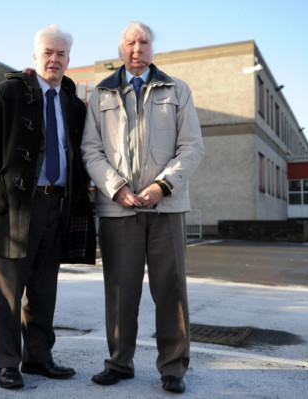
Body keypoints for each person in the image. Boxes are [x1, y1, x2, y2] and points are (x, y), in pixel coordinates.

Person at [81, 21, 205, 394]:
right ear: (121, 49)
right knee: (120, 290)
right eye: (131, 43)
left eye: (144, 42)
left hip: (166, 208)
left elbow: (192, 147)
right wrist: (115, 188)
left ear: (153, 49)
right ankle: (119, 363)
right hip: (119, 210)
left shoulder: (177, 90)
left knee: (170, 288)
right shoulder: (99, 95)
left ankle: (173, 368)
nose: (138, 48)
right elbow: (91, 150)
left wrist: (161, 186)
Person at [0, 24, 96, 390]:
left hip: (58, 207)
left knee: (44, 289)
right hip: (16, 207)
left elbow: (79, 154)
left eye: (60, 54)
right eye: (48, 53)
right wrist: (0, 191)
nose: (54, 59)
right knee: (9, 293)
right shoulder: (6, 93)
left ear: (68, 60)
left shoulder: (74, 105)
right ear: (35, 56)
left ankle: (38, 358)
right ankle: (7, 364)